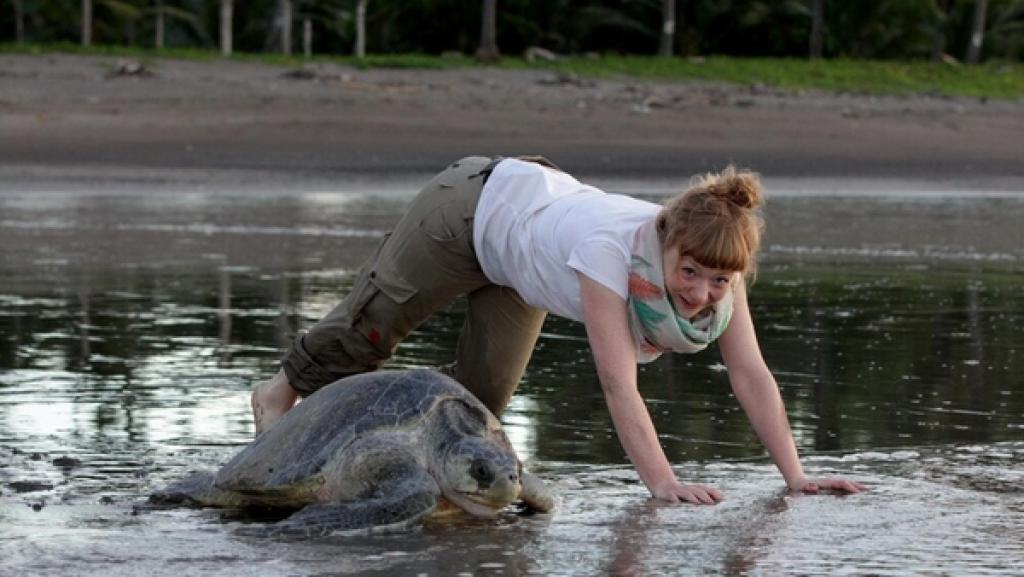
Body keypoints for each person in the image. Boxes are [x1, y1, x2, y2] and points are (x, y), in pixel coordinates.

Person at [252, 155, 866, 504]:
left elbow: (750, 372)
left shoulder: (719, 273)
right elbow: (617, 383)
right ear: (665, 240)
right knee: (370, 338)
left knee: (479, 405)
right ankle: (276, 396)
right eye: (690, 273)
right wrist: (664, 484)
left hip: (521, 266)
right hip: (470, 212)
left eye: (719, 281)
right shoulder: (609, 253)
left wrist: (797, 476)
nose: (702, 292)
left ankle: (408, 483)